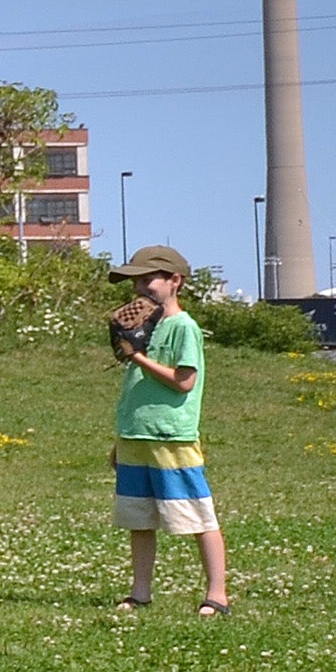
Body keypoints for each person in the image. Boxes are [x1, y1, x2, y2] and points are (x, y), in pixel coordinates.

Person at [108, 244, 231, 615]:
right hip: (136, 436)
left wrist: (138, 357)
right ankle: (140, 592)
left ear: (174, 281)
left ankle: (217, 594)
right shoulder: (147, 327)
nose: (141, 289)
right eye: (136, 283)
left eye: (149, 280)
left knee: (197, 515)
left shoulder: (184, 327)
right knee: (139, 518)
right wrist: (120, 438)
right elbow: (135, 392)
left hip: (171, 438)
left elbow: (184, 381)